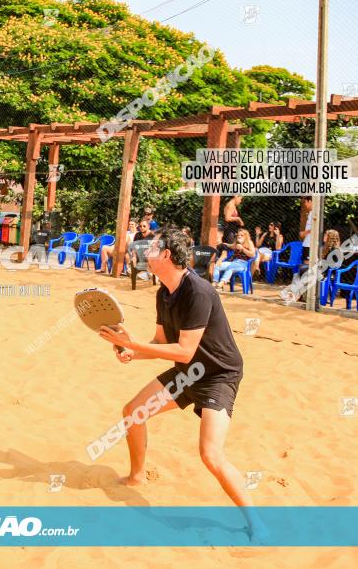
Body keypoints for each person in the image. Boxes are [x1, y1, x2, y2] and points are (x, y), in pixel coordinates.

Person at [97, 228, 267, 542]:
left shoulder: (199, 291)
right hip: (188, 372)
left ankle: (257, 522)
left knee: (210, 454)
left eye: (152, 247)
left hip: (218, 375)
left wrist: (133, 343)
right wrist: (132, 351)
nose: (145, 251)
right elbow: (161, 342)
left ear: (165, 255)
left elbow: (184, 350)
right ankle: (137, 476)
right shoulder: (164, 292)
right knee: (133, 411)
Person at [299, 196, 314, 263]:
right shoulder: (310, 212)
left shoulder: (314, 213)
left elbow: (314, 227)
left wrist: (304, 233)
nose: (305, 204)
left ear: (310, 201)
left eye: (305, 202)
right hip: (306, 243)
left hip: (310, 244)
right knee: (305, 262)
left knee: (307, 264)